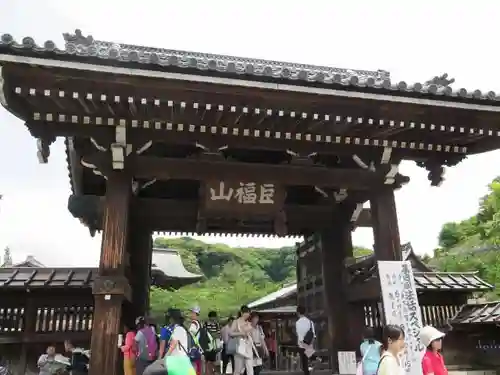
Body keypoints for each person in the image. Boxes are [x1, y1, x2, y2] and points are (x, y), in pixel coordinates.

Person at [229, 305, 254, 375]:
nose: (247, 314)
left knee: (250, 368)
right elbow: (230, 333)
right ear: (241, 313)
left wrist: (249, 333)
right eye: (246, 312)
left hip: (248, 346)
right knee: (238, 369)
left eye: (248, 313)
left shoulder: (249, 323)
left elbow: (250, 335)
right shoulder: (236, 321)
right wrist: (241, 333)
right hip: (239, 347)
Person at [295, 305, 315, 375]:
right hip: (309, 346)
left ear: (298, 312)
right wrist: (310, 348)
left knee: (304, 366)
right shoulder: (310, 322)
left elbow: (299, 337)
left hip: (302, 346)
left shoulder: (297, 323)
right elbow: (313, 335)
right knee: (310, 365)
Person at [203, 311, 221, 375]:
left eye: (214, 317)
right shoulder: (206, 324)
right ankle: (209, 373)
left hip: (214, 346)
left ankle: (213, 372)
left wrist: (212, 335)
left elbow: (219, 335)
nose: (214, 319)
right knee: (208, 361)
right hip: (207, 346)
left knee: (212, 361)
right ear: (210, 317)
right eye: (213, 317)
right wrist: (213, 335)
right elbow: (205, 334)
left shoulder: (216, 324)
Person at [188, 306, 203, 375]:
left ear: (195, 313)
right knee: (198, 367)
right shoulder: (199, 323)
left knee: (193, 368)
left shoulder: (193, 324)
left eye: (191, 312)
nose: (190, 314)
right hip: (198, 348)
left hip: (194, 348)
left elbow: (190, 335)